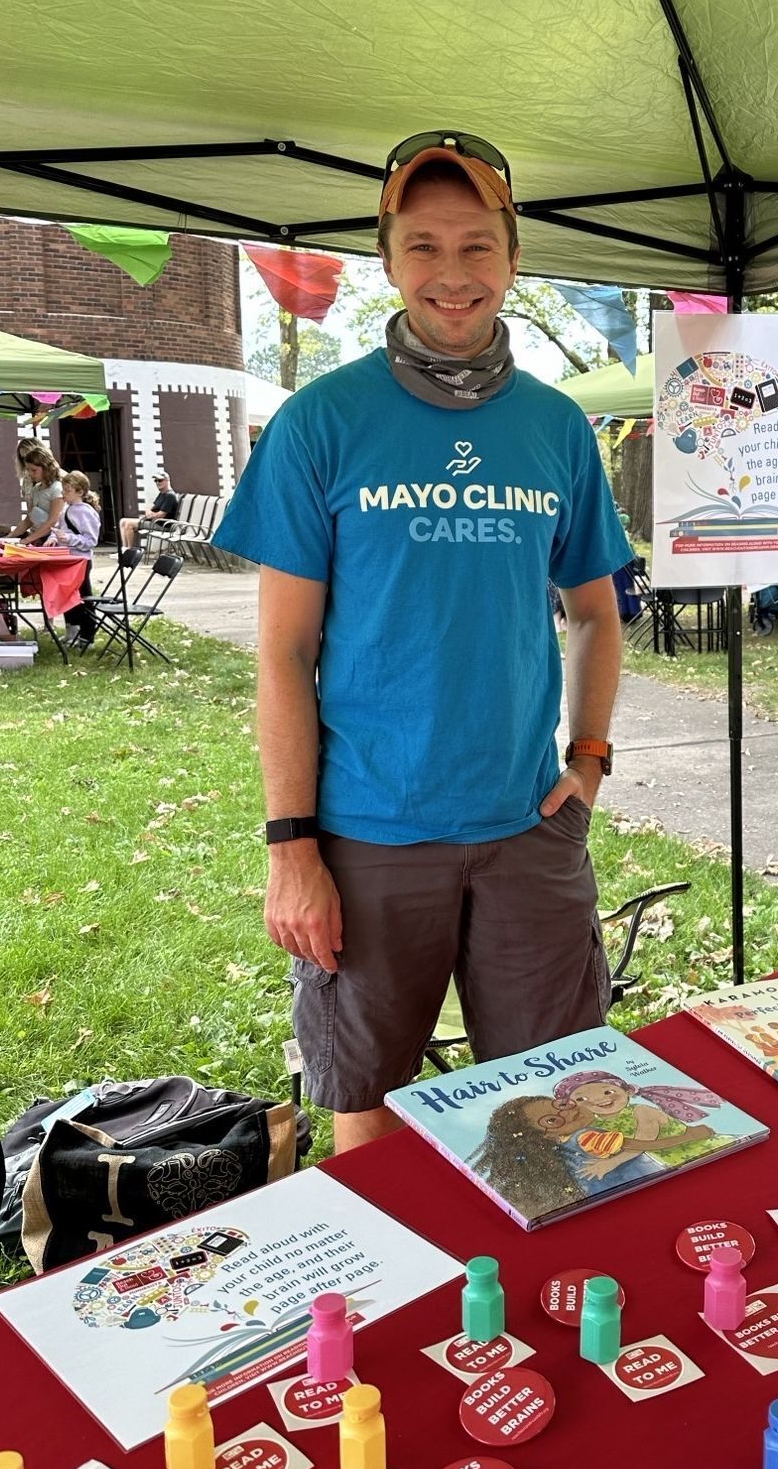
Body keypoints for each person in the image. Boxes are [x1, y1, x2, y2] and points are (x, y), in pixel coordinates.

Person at [213, 129, 633, 1154]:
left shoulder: (555, 426)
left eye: (477, 246)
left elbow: (595, 610)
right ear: (389, 258)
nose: (453, 275)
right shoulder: (324, 421)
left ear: (514, 257)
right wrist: (292, 846)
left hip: (526, 830)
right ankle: (396, 1312)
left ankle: (534, 1305)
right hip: (367, 833)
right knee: (368, 1110)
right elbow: (281, 653)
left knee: (557, 1100)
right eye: (425, 246)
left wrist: (588, 760)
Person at [58, 470, 102, 648]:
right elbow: (64, 530)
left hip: (80, 561)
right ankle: (73, 629)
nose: (64, 494)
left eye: (68, 490)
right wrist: (55, 539)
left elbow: (90, 540)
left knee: (83, 597)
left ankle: (87, 634)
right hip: (68, 559)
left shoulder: (84, 512)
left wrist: (68, 539)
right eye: (64, 490)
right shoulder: (68, 510)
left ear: (80, 492)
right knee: (69, 596)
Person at [12, 442, 65, 544]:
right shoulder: (36, 488)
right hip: (40, 537)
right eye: (28, 470)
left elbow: (52, 521)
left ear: (46, 467)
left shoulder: (57, 488)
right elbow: (29, 519)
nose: (30, 474)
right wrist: (9, 537)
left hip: (55, 540)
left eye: (34, 470)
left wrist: (27, 540)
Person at [120, 472, 180, 550]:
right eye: (156, 481)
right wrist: (148, 511)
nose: (158, 483)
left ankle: (128, 550)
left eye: (160, 480)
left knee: (129, 524)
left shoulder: (170, 496)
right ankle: (124, 548)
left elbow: (162, 514)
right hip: (154, 521)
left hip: (163, 525)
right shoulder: (162, 494)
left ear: (167, 481)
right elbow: (151, 506)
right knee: (122, 521)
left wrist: (150, 515)